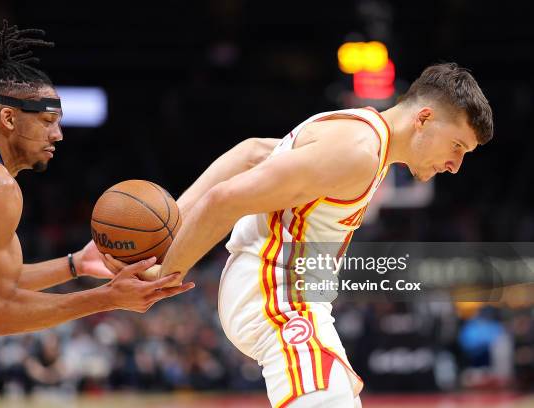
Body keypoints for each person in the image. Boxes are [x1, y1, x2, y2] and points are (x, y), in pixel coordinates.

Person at [107, 63, 494, 407]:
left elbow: (253, 152)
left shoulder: (358, 131)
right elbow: (224, 199)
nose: (456, 165)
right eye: (457, 146)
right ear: (423, 119)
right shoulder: (357, 150)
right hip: (279, 298)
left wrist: (173, 218)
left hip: (286, 297)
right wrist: (165, 274)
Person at [0, 20, 195, 336]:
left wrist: (75, 264)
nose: (59, 135)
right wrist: (108, 297)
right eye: (48, 121)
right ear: (9, 118)